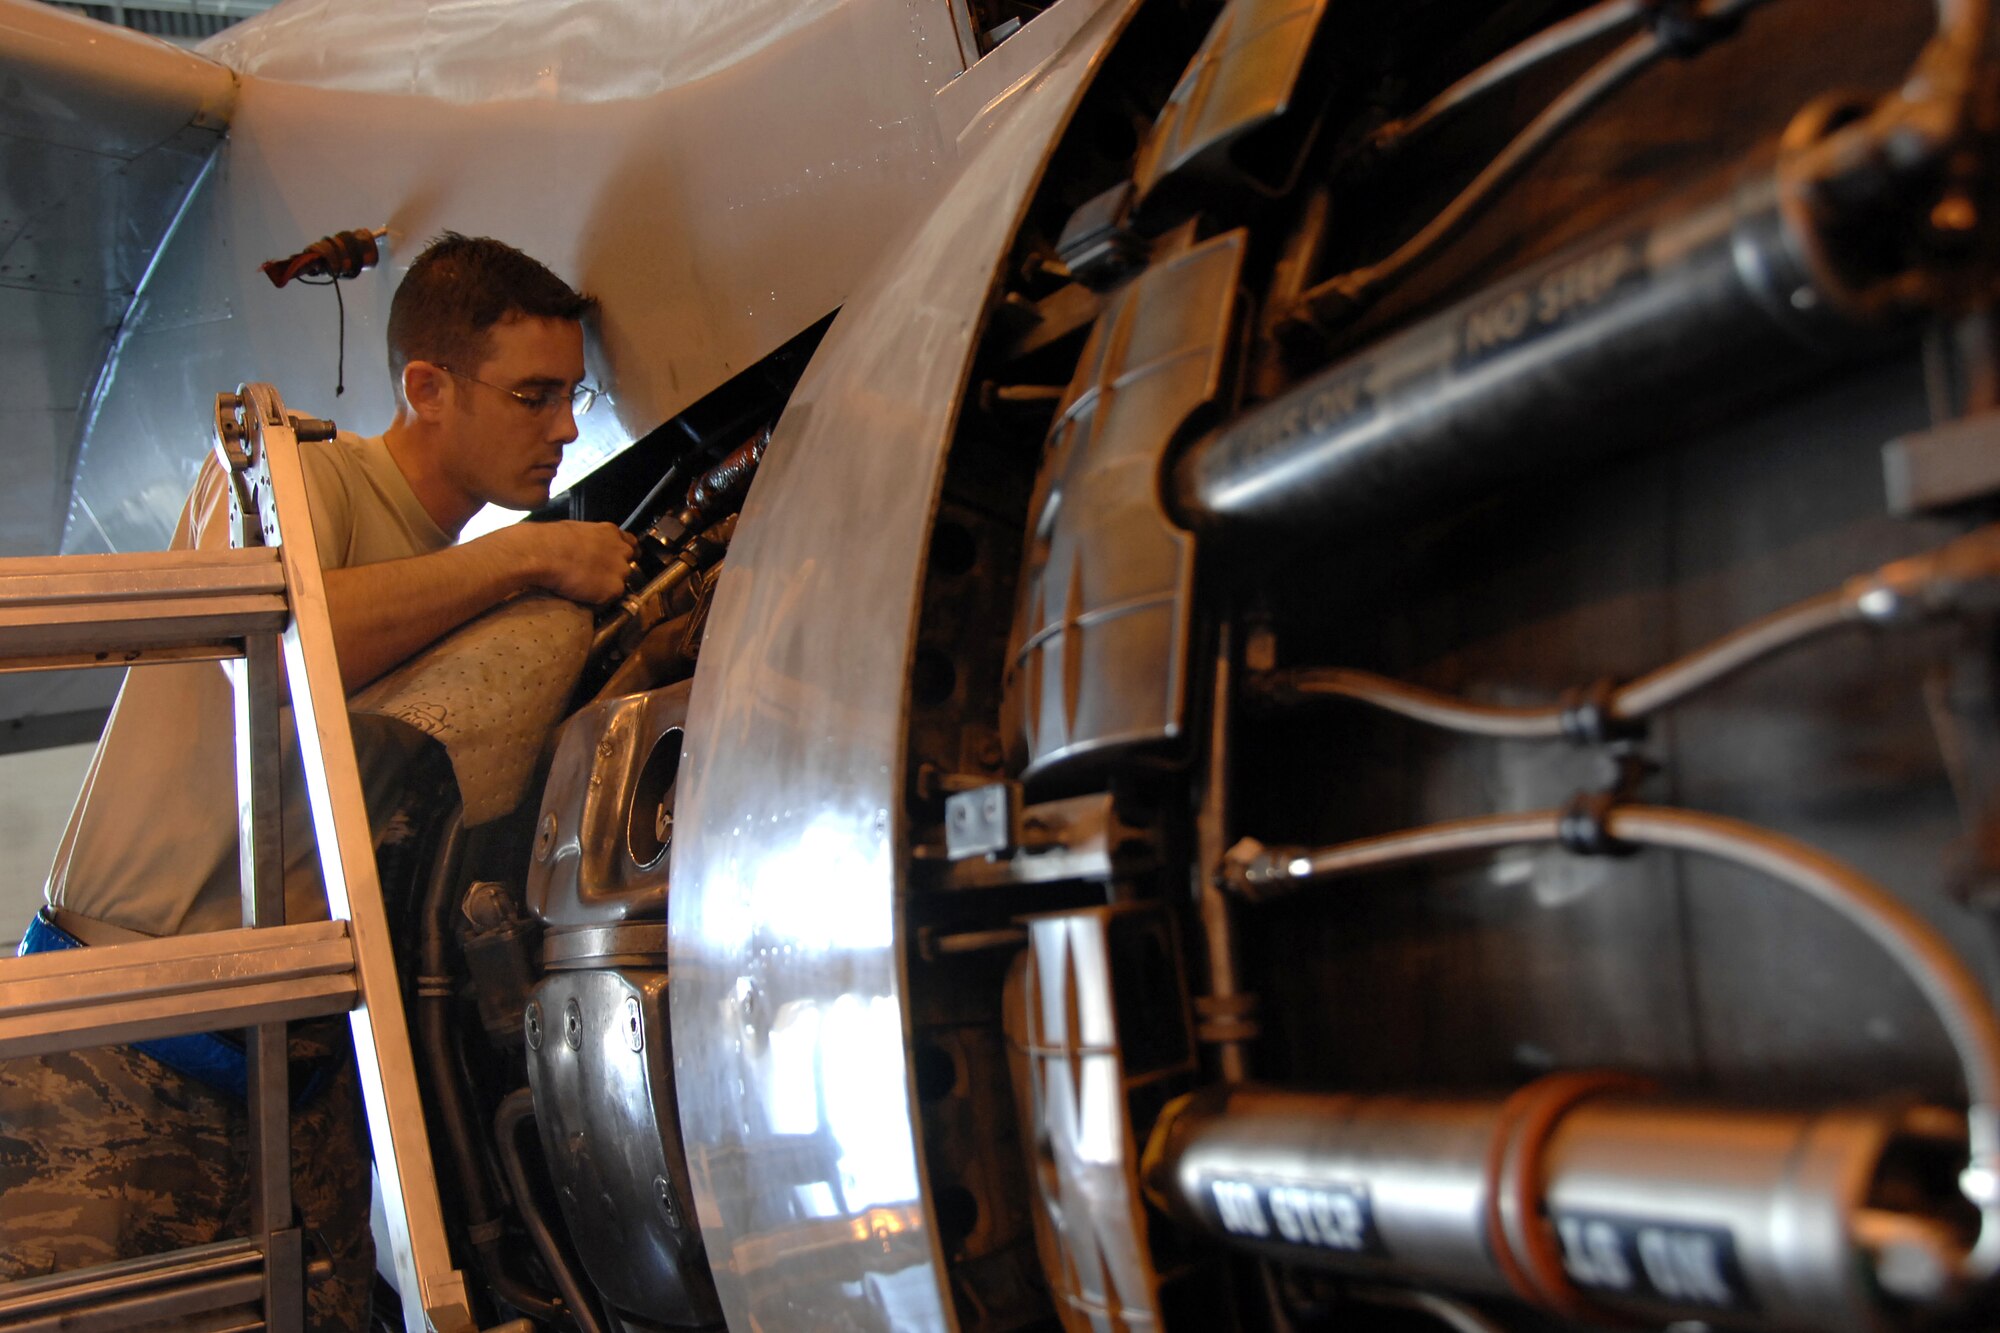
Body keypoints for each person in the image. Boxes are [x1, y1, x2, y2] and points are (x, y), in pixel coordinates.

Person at [0, 234, 634, 1330]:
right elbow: (292, 642)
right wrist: (527, 555)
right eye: (534, 395)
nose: (566, 428)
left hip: (296, 1069)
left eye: (573, 395)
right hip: (112, 1060)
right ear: (425, 388)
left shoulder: (455, 583)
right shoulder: (299, 477)